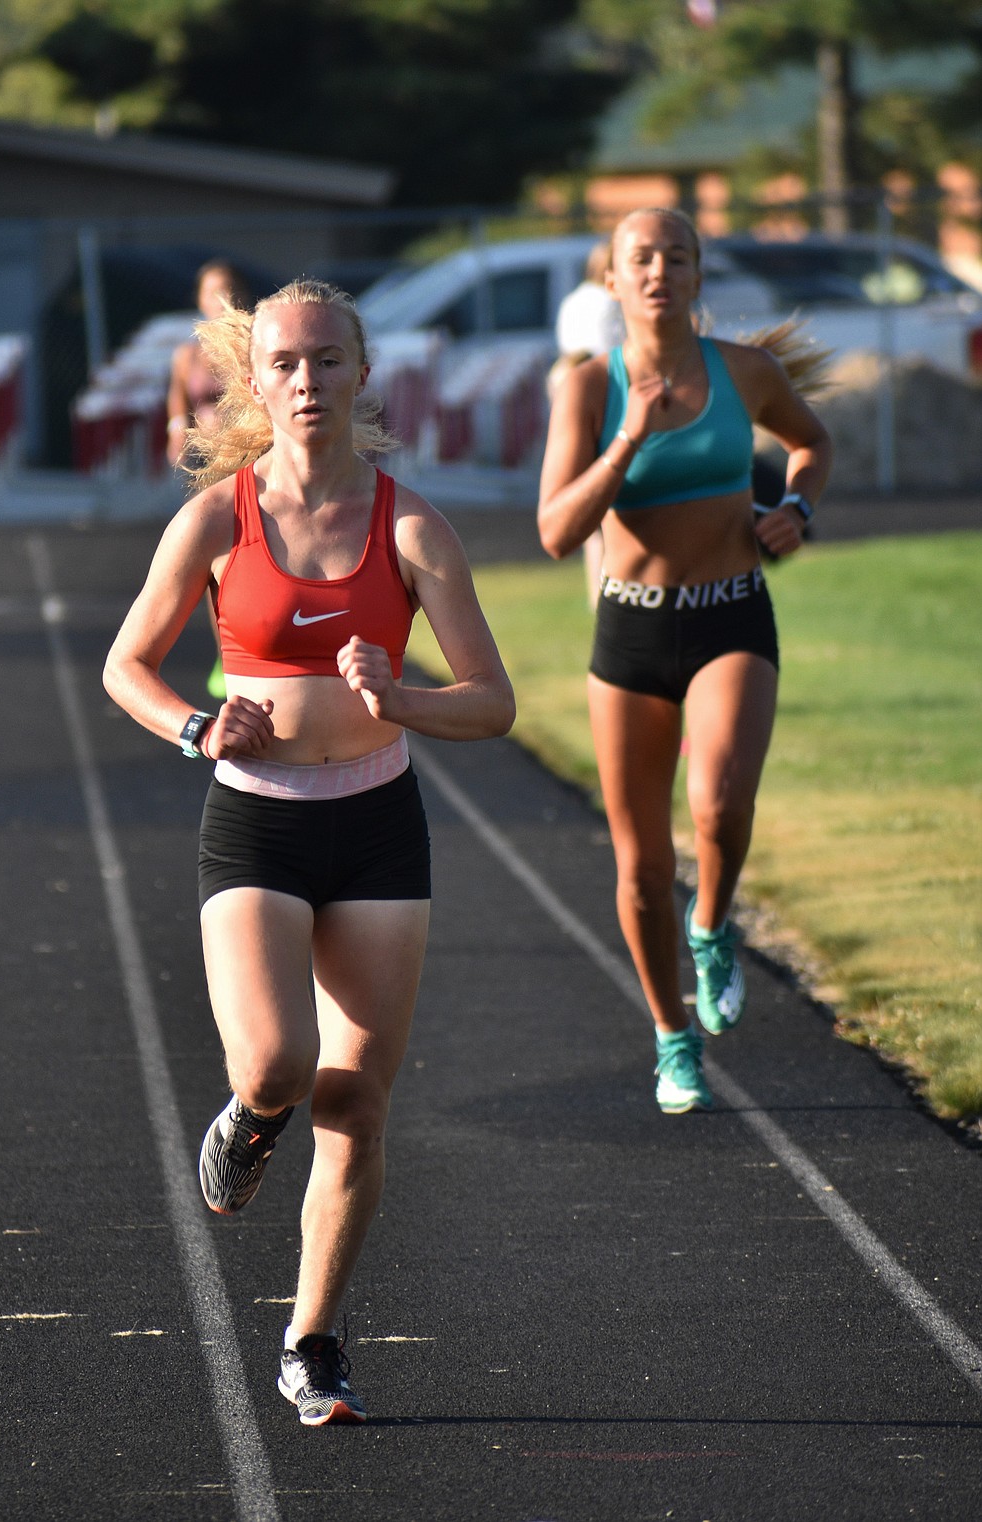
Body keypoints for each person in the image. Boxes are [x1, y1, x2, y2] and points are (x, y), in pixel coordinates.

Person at [104, 278, 515, 1424]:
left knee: (362, 1107)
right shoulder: (217, 519)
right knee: (281, 1065)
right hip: (260, 816)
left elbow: (491, 702)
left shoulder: (413, 523)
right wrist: (195, 722)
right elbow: (124, 664)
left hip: (378, 819)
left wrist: (403, 697)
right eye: (284, 363)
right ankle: (246, 1119)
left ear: (362, 372)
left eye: (327, 361)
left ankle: (314, 1338)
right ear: (257, 380)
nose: (305, 382)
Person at [537, 207, 832, 1116]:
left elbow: (812, 444)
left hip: (730, 615)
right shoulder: (588, 390)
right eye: (641, 258)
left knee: (719, 803)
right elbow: (555, 531)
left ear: (699, 276)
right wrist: (631, 434)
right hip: (628, 635)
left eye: (677, 256)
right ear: (614, 282)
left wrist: (797, 510)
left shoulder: (747, 373)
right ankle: (673, 1038)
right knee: (638, 869)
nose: (659, 270)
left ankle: (714, 926)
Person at [166, 259, 254, 702]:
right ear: (200, 300)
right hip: (210, 469)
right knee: (211, 565)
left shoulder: (251, 345)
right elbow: (177, 403)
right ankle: (228, 652)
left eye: (228, 290)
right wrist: (175, 434)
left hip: (249, 463)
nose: (221, 301)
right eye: (212, 292)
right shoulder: (187, 356)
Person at [551, 241, 628, 610]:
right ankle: (613, 591)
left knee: (587, 513)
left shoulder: (573, 300)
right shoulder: (611, 305)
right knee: (607, 504)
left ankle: (598, 596)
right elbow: (614, 355)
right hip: (603, 398)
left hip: (566, 389)